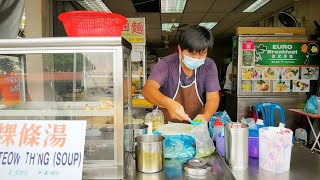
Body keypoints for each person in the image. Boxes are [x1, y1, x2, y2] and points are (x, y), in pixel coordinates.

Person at [142, 26, 220, 123]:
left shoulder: (209, 66)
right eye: (191, 54)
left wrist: (207, 115)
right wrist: (168, 103)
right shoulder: (166, 64)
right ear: (180, 49)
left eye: (202, 54)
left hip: (195, 127)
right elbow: (148, 90)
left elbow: (213, 97)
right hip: (166, 127)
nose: (196, 58)